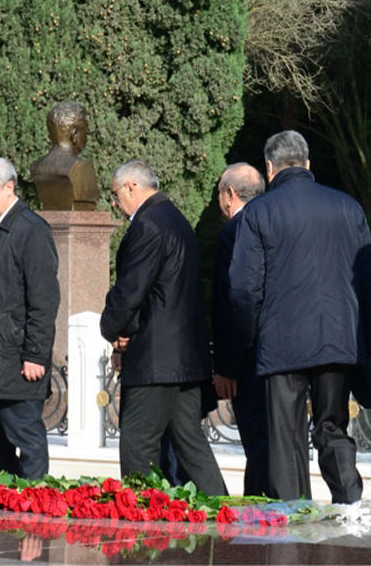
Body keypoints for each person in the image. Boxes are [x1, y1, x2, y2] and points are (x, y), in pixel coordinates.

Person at [227, 130, 371, 503]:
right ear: (308, 163)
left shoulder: (258, 212)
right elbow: (367, 282)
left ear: (270, 168)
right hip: (338, 339)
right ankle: (350, 503)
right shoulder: (348, 207)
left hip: (280, 343)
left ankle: (293, 519)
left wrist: (247, 340)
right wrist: (368, 341)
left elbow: (244, 289)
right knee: (333, 427)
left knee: (285, 438)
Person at [100, 159, 226, 495]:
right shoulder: (176, 219)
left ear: (131, 187)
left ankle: (140, 521)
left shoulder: (148, 225)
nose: (116, 204)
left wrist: (113, 330)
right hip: (184, 357)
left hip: (156, 359)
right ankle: (228, 516)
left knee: (137, 444)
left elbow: (131, 292)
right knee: (190, 444)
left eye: (115, 195)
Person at [0, 157, 60, 480]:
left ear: (9, 187)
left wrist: (35, 353)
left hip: (16, 364)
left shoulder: (31, 231)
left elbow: (44, 300)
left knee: (25, 439)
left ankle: (33, 507)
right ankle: (5, 510)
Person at [211, 162, 269, 496]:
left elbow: (232, 301)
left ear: (229, 194)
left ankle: (259, 510)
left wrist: (226, 366)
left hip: (249, 356)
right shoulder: (276, 222)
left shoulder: (234, 232)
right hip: (285, 353)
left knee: (256, 440)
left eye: (220, 191)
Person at [30, 100, 101, 211]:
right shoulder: (81, 168)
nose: (86, 137)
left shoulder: (36, 167)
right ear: (75, 134)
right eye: (85, 132)